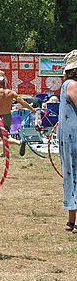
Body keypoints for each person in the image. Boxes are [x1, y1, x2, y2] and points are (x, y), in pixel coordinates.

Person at [59, 50, 77, 233]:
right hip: (75, 138)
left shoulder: (66, 84)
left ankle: (71, 221)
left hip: (69, 137)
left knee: (72, 177)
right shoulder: (73, 85)